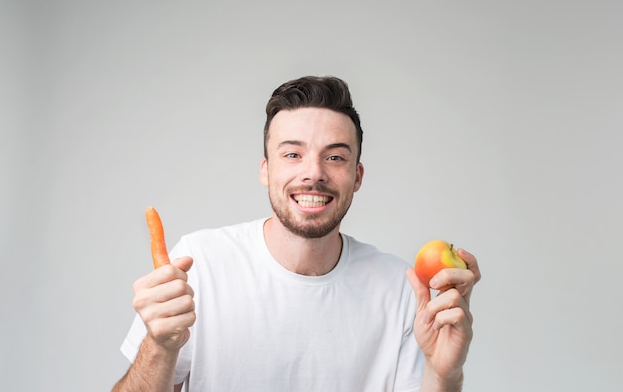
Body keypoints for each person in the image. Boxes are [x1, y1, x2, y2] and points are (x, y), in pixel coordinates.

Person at [112, 76, 481, 392]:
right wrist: (160, 346)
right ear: (265, 170)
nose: (313, 173)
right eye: (292, 155)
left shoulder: (401, 289)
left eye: (335, 157)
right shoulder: (199, 264)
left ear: (357, 176)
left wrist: (444, 375)